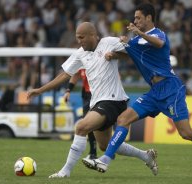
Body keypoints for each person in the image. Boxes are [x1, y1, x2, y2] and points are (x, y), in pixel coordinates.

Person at [83, 3, 192, 176]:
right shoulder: (136, 40)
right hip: (155, 92)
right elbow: (129, 54)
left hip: (171, 89)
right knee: (123, 119)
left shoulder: (158, 34)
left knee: (186, 133)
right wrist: (114, 54)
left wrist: (138, 33)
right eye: (134, 18)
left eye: (138, 18)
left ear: (149, 18)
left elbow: (158, 44)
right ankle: (105, 160)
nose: (135, 21)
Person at [27, 22, 158, 178]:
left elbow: (132, 53)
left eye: (81, 37)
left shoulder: (109, 42)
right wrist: (40, 90)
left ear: (92, 35)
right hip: (98, 102)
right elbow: (64, 75)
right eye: (77, 38)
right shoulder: (80, 54)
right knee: (105, 145)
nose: (79, 41)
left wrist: (115, 55)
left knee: (81, 127)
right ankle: (145, 156)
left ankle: (65, 171)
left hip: (113, 100)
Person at [64, 69, 97, 159]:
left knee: (97, 123)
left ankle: (107, 149)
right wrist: (68, 90)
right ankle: (93, 152)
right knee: (88, 123)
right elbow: (75, 75)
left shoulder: (99, 58)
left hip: (99, 93)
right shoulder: (82, 60)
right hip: (87, 94)